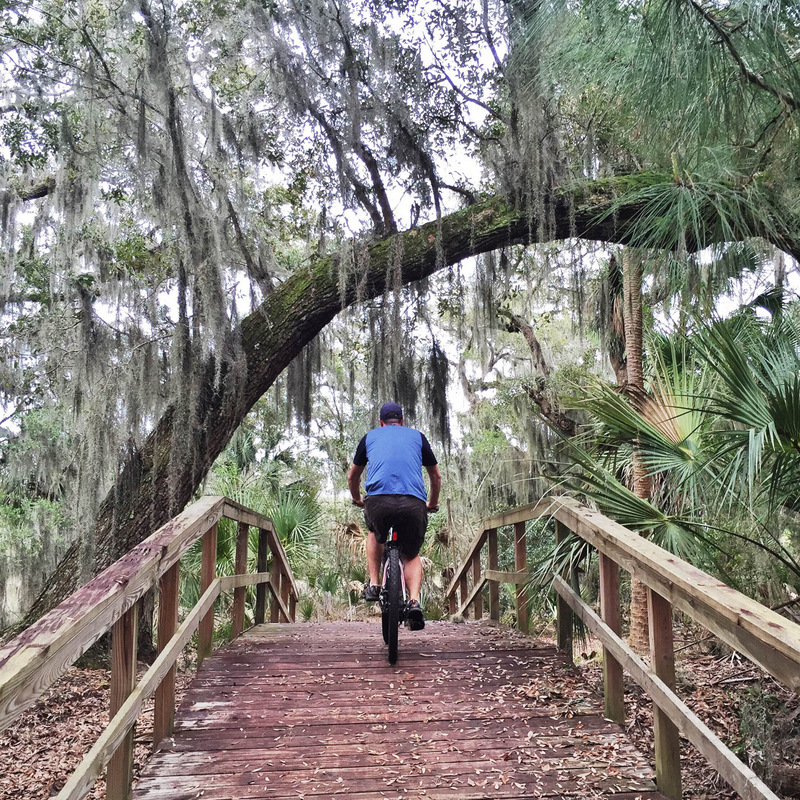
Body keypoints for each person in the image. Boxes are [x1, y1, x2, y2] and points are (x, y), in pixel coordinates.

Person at [347, 401, 441, 631]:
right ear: (402, 421)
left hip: (378, 501)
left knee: (374, 533)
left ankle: (374, 584)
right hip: (413, 502)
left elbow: (352, 477)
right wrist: (433, 503)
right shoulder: (417, 437)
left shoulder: (370, 437)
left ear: (381, 422)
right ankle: (414, 601)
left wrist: (358, 498)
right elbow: (436, 477)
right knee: (411, 554)